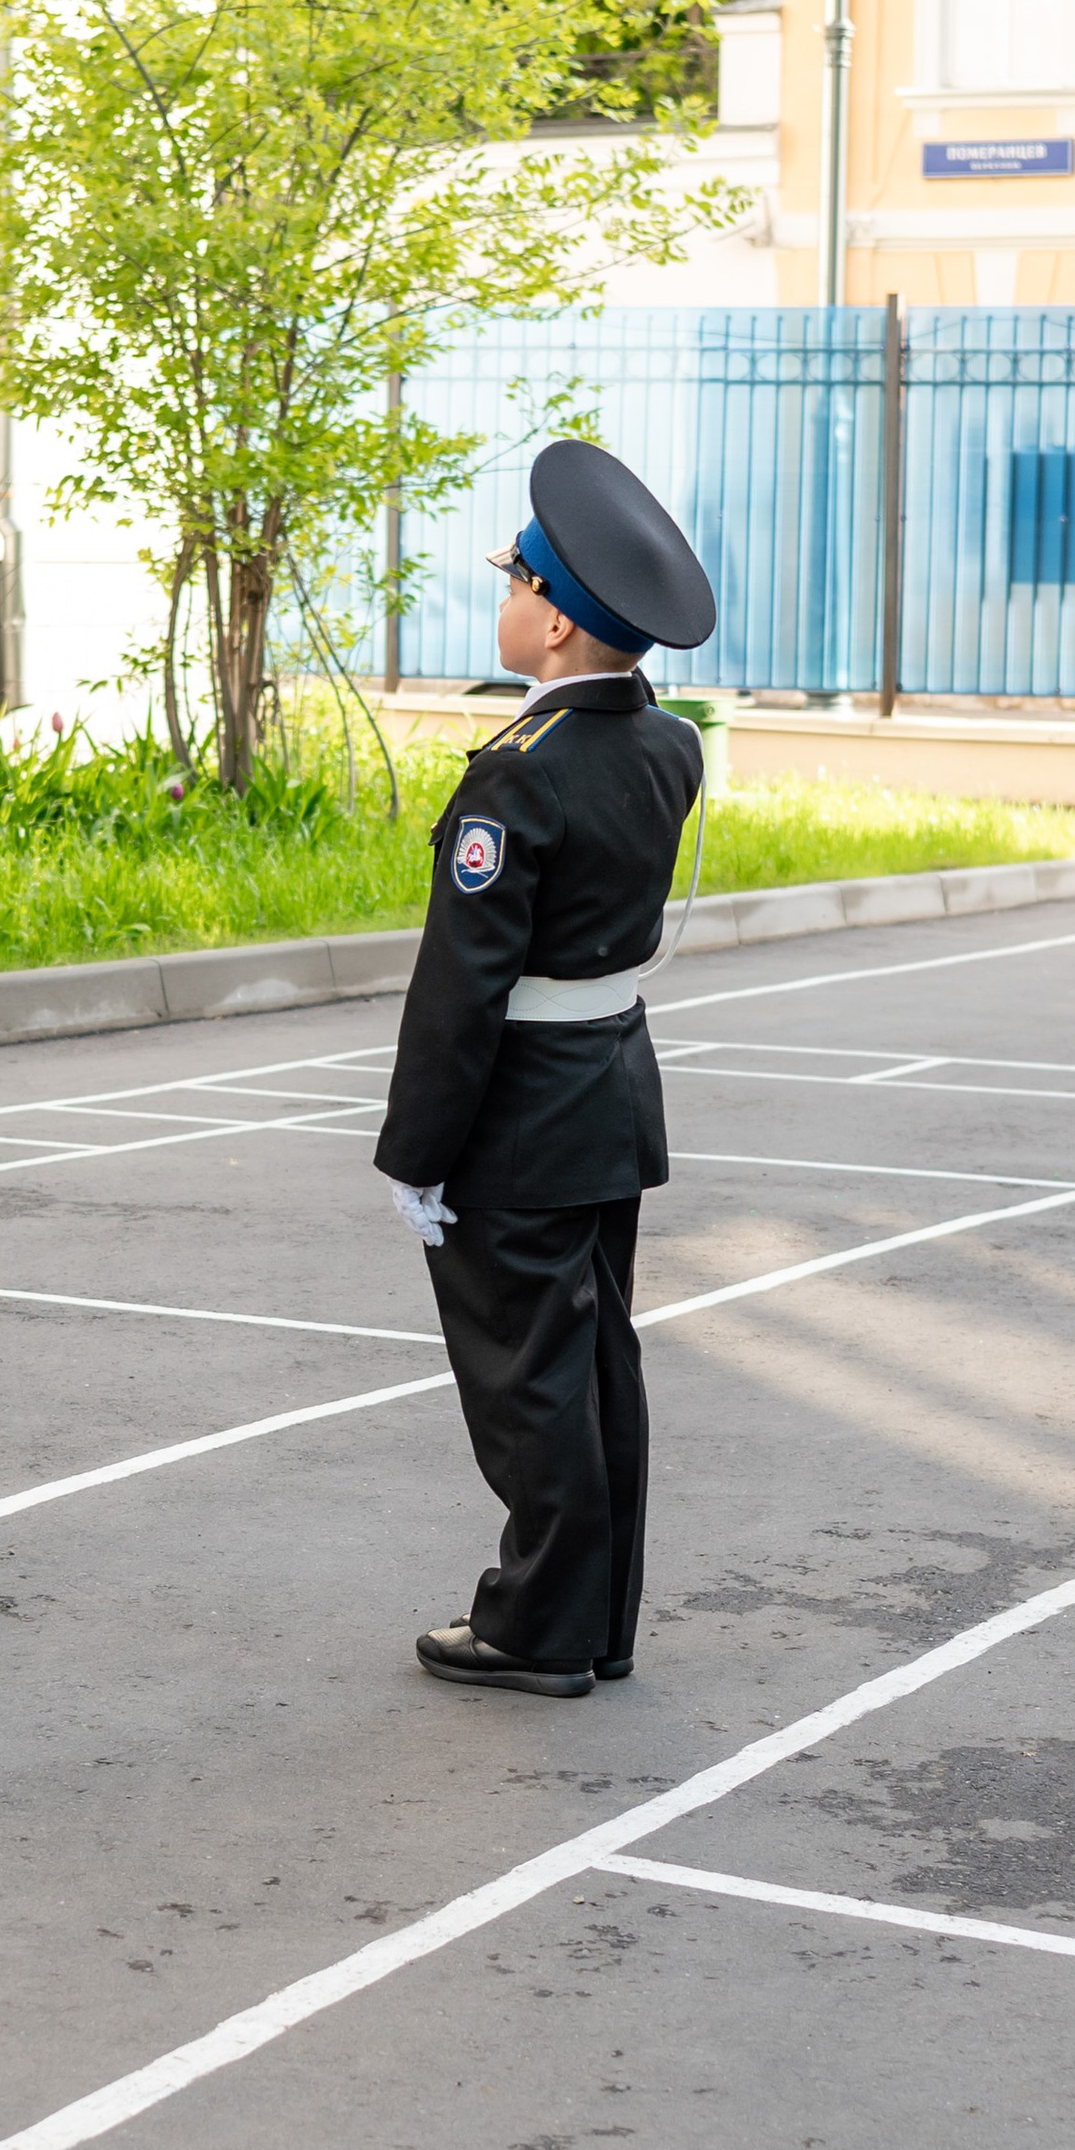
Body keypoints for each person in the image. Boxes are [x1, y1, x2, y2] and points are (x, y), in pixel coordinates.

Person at [373, 439, 715, 1698]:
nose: (502, 595)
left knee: (527, 1381)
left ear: (558, 620)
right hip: (610, 1089)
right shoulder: (664, 748)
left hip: (519, 1109)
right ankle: (598, 1618)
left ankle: (535, 1627)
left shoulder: (517, 778)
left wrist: (416, 1154)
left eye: (515, 577)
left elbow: (459, 994)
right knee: (595, 1362)